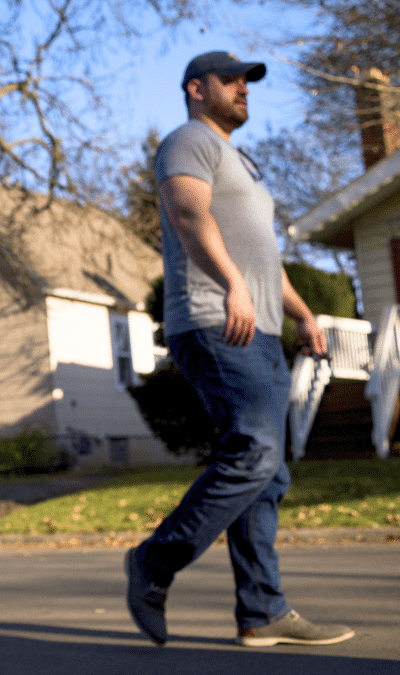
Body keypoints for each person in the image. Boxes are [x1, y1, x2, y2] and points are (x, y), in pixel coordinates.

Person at [125, 51, 355, 648]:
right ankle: (154, 560)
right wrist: (231, 286)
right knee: (253, 454)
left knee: (266, 475)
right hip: (215, 321)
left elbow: (262, 260)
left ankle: (262, 612)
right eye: (230, 80)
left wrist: (302, 314)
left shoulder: (241, 163)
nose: (242, 89)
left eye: (246, 82)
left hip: (254, 325)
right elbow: (185, 212)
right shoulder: (187, 142)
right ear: (196, 88)